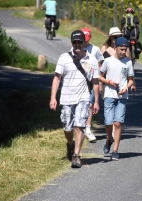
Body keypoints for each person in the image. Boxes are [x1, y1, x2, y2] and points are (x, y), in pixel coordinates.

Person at [49, 30, 100, 168]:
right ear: (71, 43)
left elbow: (95, 82)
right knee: (67, 126)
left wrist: (96, 101)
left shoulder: (92, 60)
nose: (77, 44)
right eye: (74, 42)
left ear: (84, 42)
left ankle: (77, 155)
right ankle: (70, 144)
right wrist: (53, 97)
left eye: (80, 42)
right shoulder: (64, 58)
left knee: (79, 126)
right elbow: (57, 78)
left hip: (83, 97)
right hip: (66, 98)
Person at [98, 37, 135, 161]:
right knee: (108, 123)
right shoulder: (108, 61)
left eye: (125, 50)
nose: (123, 52)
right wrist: (109, 82)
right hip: (109, 94)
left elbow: (131, 80)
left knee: (118, 123)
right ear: (115, 48)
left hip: (122, 96)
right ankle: (109, 139)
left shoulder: (128, 63)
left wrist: (126, 88)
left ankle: (115, 150)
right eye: (121, 49)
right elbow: (100, 77)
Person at [81, 27, 104, 142]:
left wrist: (100, 84)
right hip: (79, 82)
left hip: (92, 82)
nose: (85, 41)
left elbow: (100, 67)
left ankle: (88, 129)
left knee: (90, 105)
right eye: (83, 39)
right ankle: (79, 126)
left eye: (87, 39)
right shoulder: (76, 48)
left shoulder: (95, 50)